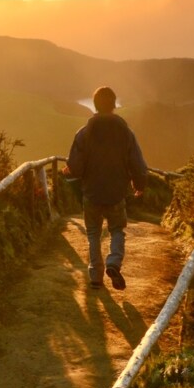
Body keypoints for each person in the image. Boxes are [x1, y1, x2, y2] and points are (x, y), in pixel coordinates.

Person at [64, 86, 147, 291]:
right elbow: (137, 163)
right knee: (117, 230)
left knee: (93, 233)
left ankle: (95, 277)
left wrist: (69, 172)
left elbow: (75, 166)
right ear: (113, 104)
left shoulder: (84, 133)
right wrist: (139, 184)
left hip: (91, 193)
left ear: (95, 105)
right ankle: (113, 262)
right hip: (117, 192)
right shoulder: (126, 132)